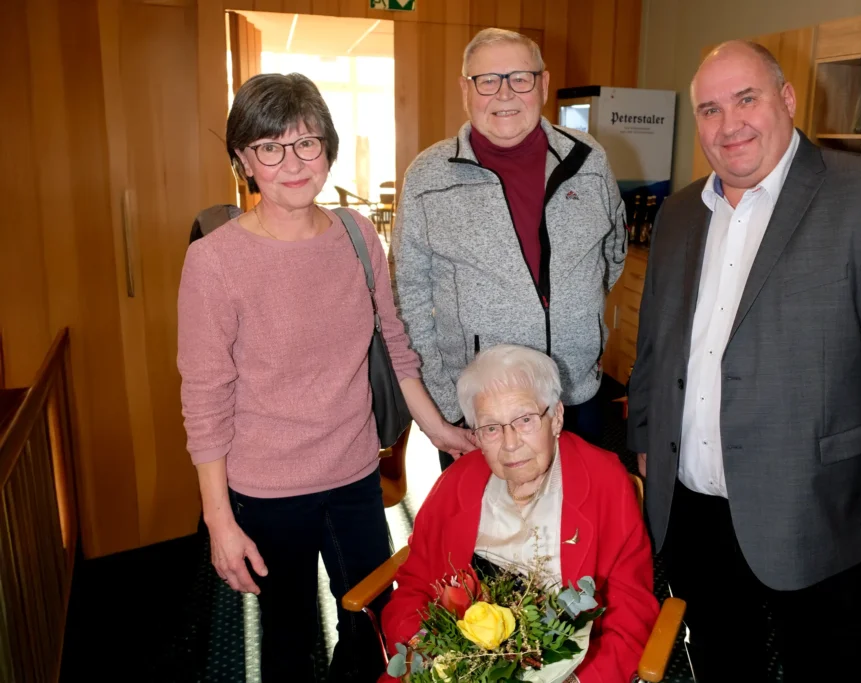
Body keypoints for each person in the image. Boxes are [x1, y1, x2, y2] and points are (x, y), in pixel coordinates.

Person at [626, 41, 861, 682]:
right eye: (710, 109)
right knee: (720, 657)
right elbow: (656, 348)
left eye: (747, 99)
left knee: (824, 666)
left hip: (817, 510)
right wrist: (645, 445)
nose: (729, 124)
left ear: (787, 99)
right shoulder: (682, 212)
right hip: (693, 504)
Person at [176, 72, 474, 683]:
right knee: (286, 642)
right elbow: (205, 398)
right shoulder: (215, 261)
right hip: (264, 490)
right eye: (269, 146)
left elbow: (394, 343)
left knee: (379, 621)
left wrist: (438, 428)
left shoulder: (358, 234)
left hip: (355, 473)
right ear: (243, 158)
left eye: (306, 142)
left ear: (328, 149)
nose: (291, 162)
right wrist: (219, 521)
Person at [392, 28, 628, 471]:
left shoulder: (589, 159)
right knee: (487, 534)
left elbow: (612, 253)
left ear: (542, 84)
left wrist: (577, 318)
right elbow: (407, 299)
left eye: (520, 78)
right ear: (466, 89)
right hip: (485, 410)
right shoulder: (428, 177)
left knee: (578, 529)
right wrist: (446, 398)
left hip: (577, 394)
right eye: (487, 80)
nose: (504, 93)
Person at [380, 345, 659, 682]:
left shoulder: (604, 481)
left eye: (525, 420)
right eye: (492, 428)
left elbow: (632, 608)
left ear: (556, 417)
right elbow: (414, 584)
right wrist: (435, 656)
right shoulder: (458, 481)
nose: (510, 444)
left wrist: (579, 679)